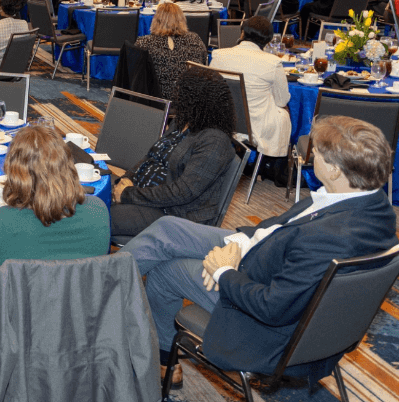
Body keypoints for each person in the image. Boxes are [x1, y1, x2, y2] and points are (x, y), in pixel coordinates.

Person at [124, 116, 398, 384]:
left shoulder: (331, 237)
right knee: (169, 229)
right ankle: (106, 288)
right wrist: (240, 245)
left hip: (263, 322)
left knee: (165, 273)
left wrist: (223, 271)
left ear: (336, 170)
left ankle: (163, 362)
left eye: (318, 153)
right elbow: (280, 226)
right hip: (264, 258)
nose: (311, 155)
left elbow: (272, 308)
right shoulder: (369, 205)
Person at [0, 125, 110, 343]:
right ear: (68, 164)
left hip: (8, 332)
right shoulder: (98, 210)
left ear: (14, 173)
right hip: (73, 323)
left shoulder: (1, 221)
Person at [109, 65, 237, 239]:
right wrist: (126, 179)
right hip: (144, 195)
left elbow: (182, 192)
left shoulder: (214, 141)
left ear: (197, 99)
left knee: (98, 218)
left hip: (173, 216)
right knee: (87, 199)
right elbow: (151, 156)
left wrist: (128, 195)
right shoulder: (182, 122)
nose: (177, 97)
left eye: (182, 93)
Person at [210, 16, 290, 174]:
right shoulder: (273, 62)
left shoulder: (218, 55)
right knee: (284, 112)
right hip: (256, 126)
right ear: (268, 40)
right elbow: (282, 100)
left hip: (222, 119)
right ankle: (269, 166)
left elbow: (212, 90)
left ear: (242, 34)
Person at [135, 3, 208, 100]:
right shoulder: (195, 39)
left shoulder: (144, 42)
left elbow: (136, 75)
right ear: (182, 19)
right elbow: (204, 63)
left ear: (155, 20)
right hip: (191, 99)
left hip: (156, 100)